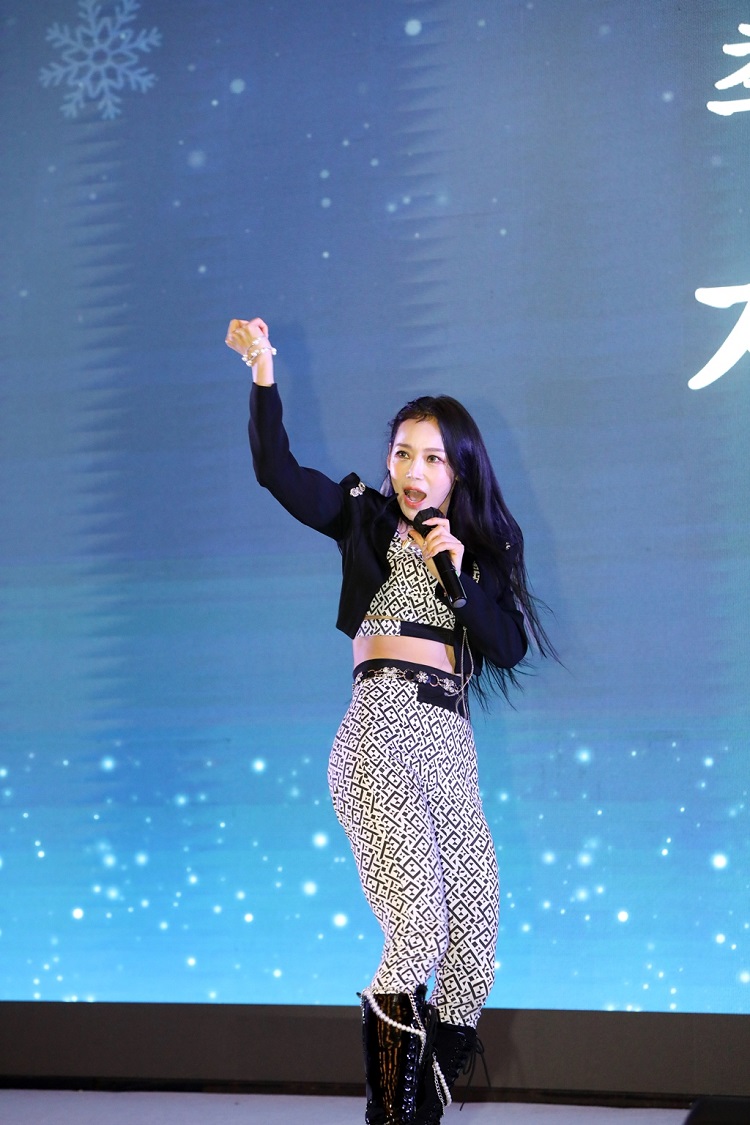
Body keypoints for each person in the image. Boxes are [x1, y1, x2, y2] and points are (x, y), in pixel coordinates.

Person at [225, 316, 552, 1124]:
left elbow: (508, 645)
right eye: (403, 453)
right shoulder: (362, 519)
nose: (412, 470)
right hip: (380, 731)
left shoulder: (477, 556)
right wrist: (264, 372)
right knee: (418, 924)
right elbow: (276, 471)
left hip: (450, 745)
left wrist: (457, 575)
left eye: (432, 457)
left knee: (474, 934)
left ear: (458, 471)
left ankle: (422, 1109)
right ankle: (389, 1116)